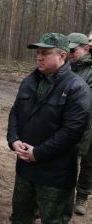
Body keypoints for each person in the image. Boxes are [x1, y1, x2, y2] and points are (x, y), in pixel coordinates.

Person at [7, 33, 91, 223]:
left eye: (45, 53)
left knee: (53, 219)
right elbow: (15, 112)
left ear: (62, 56)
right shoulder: (30, 81)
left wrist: (39, 153)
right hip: (25, 170)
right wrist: (13, 139)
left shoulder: (76, 87)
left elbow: (72, 131)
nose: (39, 57)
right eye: (38, 52)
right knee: (20, 217)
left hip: (56, 174)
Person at [67, 32, 92, 215]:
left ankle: (82, 196)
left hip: (88, 125)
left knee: (89, 163)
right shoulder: (65, 66)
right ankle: (61, 198)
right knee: (64, 162)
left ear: (85, 49)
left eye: (73, 50)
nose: (70, 53)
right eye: (67, 49)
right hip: (68, 124)